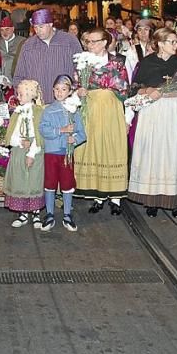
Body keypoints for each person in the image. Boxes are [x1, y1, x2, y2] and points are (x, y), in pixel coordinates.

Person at [128, 28, 177, 216]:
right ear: (159, 43)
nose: (176, 45)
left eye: (176, 42)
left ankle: (176, 200)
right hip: (153, 112)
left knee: (175, 152)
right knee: (153, 152)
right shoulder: (147, 63)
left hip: (175, 112)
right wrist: (149, 90)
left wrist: (169, 92)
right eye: (172, 42)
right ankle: (151, 199)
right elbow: (134, 89)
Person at [72, 27, 131, 215]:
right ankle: (98, 196)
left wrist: (128, 119)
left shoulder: (118, 62)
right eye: (88, 41)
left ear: (105, 42)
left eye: (94, 41)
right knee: (94, 149)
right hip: (91, 111)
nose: (90, 45)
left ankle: (115, 198)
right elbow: (75, 86)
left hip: (112, 111)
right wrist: (78, 91)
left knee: (112, 149)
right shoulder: (82, 62)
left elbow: (127, 93)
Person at [38, 75, 87, 231]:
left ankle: (67, 214)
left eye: (63, 90)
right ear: (53, 91)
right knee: (50, 183)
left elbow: (82, 134)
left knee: (67, 183)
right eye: (57, 89)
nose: (60, 93)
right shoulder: (48, 110)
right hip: (51, 152)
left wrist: (75, 139)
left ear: (69, 91)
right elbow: (43, 129)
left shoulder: (74, 111)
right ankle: (50, 213)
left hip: (67, 154)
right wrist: (61, 130)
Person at [12, 9, 82, 104]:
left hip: (66, 103)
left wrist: (76, 93)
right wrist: (22, 96)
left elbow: (81, 70)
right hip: (38, 105)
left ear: (50, 24)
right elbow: (19, 76)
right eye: (35, 27)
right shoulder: (28, 45)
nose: (38, 31)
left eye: (41, 27)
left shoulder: (69, 41)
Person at [3, 79, 45, 227]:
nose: (18, 97)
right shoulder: (18, 112)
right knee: (20, 180)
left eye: (21, 95)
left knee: (34, 181)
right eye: (18, 94)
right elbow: (12, 132)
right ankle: (23, 213)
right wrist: (18, 141)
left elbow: (40, 133)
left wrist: (32, 152)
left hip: (34, 151)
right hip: (19, 151)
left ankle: (35, 213)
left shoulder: (38, 112)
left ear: (30, 95)